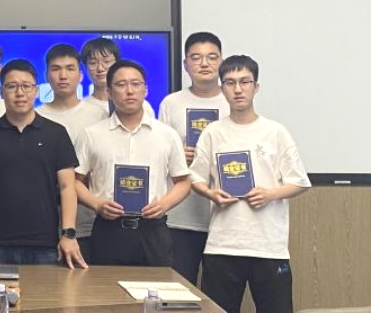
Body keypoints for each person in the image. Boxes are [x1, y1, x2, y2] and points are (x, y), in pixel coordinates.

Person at [190, 55, 310, 313]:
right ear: (222, 88)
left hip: (268, 247)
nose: (238, 89)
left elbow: (300, 181)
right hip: (223, 245)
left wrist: (270, 194)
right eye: (230, 82)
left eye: (245, 82)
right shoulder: (212, 132)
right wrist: (211, 193)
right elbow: (195, 178)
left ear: (256, 87)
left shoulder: (275, 132)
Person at [0, 59, 87, 269]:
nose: (20, 93)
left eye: (26, 86)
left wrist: (68, 234)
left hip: (45, 245)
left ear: (36, 91)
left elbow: (67, 187)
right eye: (12, 86)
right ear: (2, 92)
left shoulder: (56, 133)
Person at [75, 59, 191, 266]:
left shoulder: (167, 135)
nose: (129, 91)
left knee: (157, 285)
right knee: (105, 287)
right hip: (108, 229)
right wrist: (97, 205)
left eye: (136, 84)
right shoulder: (91, 134)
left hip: (153, 229)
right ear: (109, 92)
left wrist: (163, 205)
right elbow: (74, 181)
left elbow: (183, 181)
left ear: (145, 90)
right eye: (121, 85)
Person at [158, 31, 230, 285]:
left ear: (221, 61)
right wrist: (178, 155)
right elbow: (159, 155)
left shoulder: (233, 100)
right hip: (180, 217)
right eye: (196, 57)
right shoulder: (171, 103)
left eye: (212, 57)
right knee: (179, 290)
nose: (204, 63)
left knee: (217, 293)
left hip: (224, 216)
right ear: (186, 64)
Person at [36, 44, 106, 262]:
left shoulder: (100, 115)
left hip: (90, 223)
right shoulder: (35, 116)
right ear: (46, 76)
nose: (63, 75)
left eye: (70, 68)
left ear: (80, 75)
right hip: (44, 222)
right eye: (56, 69)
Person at [80, 36, 155, 117]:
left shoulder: (142, 106)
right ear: (85, 67)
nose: (100, 68)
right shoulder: (81, 109)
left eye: (106, 61)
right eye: (93, 63)